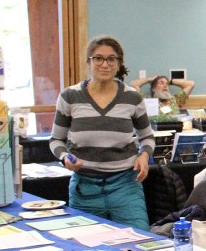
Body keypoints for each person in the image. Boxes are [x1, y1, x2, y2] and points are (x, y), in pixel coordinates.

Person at [49, 36, 154, 230]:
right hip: (85, 187)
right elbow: (56, 140)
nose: (105, 64)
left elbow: (147, 137)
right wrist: (64, 157)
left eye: (111, 59)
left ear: (119, 63)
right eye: (98, 58)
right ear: (88, 62)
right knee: (85, 244)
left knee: (140, 240)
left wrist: (144, 155)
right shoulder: (70, 96)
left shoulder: (132, 97)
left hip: (125, 186)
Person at [129, 74, 195, 114]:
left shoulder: (175, 101)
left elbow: (190, 84)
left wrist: (170, 81)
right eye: (161, 83)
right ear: (153, 88)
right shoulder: (146, 102)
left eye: (167, 84)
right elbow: (133, 84)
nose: (165, 86)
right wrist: (149, 79)